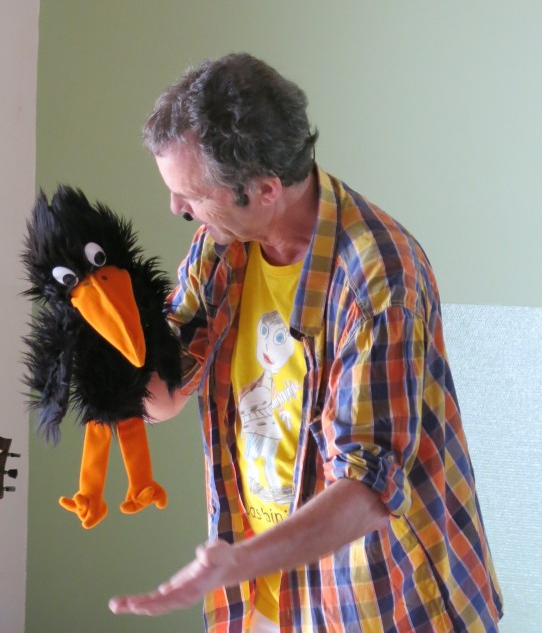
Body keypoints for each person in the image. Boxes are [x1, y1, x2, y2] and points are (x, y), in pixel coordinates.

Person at [109, 53, 502, 632]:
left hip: (382, 600)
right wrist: (92, 319)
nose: (177, 209)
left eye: (191, 194)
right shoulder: (221, 246)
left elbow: (368, 489)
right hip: (266, 595)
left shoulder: (376, 278)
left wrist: (239, 561)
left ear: (265, 189)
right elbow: (162, 398)